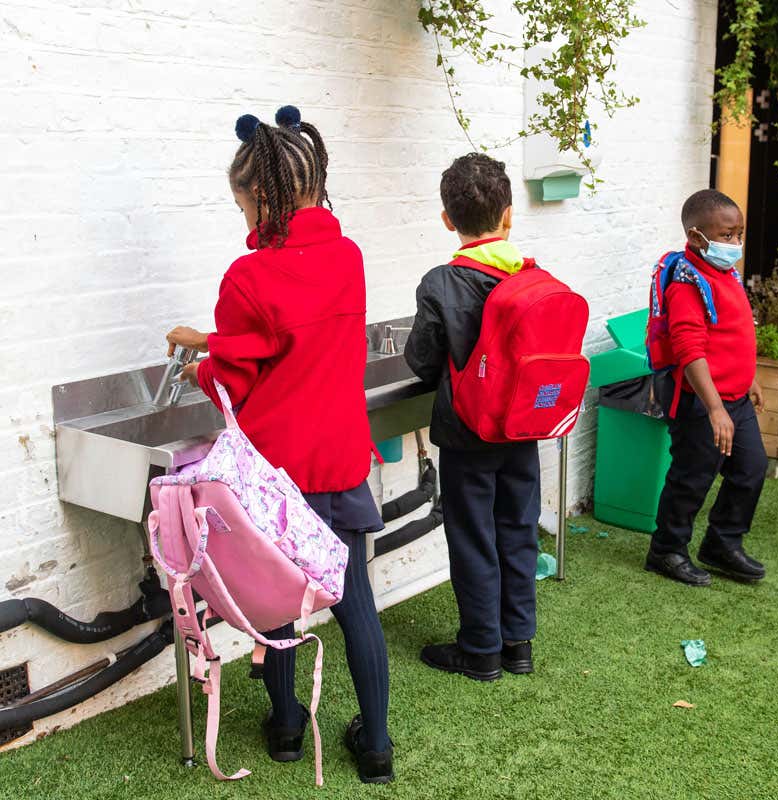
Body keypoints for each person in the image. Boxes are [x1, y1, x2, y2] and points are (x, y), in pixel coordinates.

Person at [166, 106, 394, 783]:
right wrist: (216, 344)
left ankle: (287, 729)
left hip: (275, 476)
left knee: (281, 602)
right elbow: (298, 337)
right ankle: (376, 748)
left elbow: (238, 376)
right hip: (341, 458)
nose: (242, 221)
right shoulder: (347, 258)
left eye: (241, 206)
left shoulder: (247, 279)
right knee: (354, 604)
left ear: (262, 196)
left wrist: (202, 366)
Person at [404, 153, 541, 682]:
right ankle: (517, 643)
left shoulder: (442, 283)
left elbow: (421, 359)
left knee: (472, 536)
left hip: (468, 432)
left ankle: (481, 650)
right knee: (517, 528)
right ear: (509, 215)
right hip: (523, 428)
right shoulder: (530, 277)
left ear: (446, 219)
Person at [644, 189, 769, 587]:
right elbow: (688, 348)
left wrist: (751, 378)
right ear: (698, 237)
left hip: (735, 396)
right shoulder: (687, 281)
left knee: (751, 469)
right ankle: (666, 550)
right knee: (693, 476)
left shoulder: (724, 272)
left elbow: (734, 332)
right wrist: (714, 408)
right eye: (728, 235)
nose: (736, 243)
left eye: (739, 234)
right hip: (700, 400)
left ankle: (721, 543)